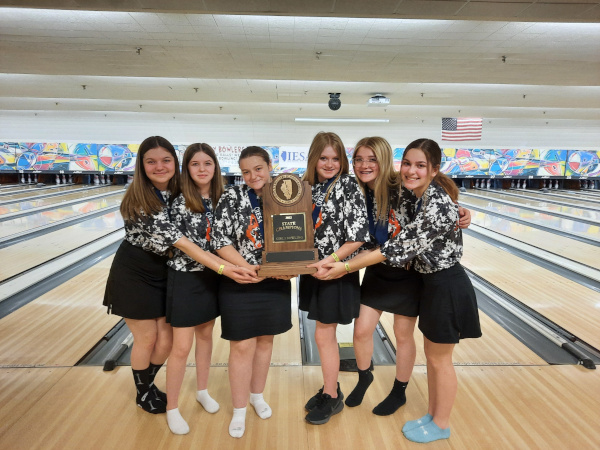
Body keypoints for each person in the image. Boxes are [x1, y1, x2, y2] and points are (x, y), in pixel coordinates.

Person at [323, 138, 482, 443]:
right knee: (435, 359)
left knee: (439, 360)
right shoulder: (418, 196)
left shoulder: (431, 202)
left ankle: (441, 423)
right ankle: (435, 416)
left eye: (420, 165)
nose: (411, 170)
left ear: (434, 169)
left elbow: (397, 246)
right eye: (407, 163)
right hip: (432, 284)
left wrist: (343, 267)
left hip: (444, 284)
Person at [103, 136, 256, 416]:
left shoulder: (177, 191)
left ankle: (151, 385)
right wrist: (226, 268)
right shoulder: (143, 200)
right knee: (148, 339)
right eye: (151, 161)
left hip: (167, 270)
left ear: (175, 164)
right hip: (136, 273)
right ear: (141, 165)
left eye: (166, 160)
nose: (159, 166)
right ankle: (144, 391)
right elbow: (185, 244)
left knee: (166, 341)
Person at [211, 146, 293, 438]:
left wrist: (293, 266)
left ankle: (257, 395)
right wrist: (245, 267)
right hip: (240, 279)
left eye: (258, 168)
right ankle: (239, 409)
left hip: (276, 279)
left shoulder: (286, 193)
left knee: (265, 341)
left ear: (270, 166)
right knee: (241, 346)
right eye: (246, 171)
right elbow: (218, 239)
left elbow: (300, 236)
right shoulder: (232, 196)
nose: (252, 176)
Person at [299, 131, 370, 425]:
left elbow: (357, 238)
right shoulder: (306, 188)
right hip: (314, 270)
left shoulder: (349, 187)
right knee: (321, 332)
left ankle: (331, 394)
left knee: (323, 334)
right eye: (323, 158)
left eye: (335, 158)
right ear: (314, 159)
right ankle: (331, 386)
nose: (329, 163)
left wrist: (330, 263)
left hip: (335, 271)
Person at [164, 143, 232, 434]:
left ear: (215, 167)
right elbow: (188, 248)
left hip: (214, 279)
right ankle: (172, 407)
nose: (202, 169)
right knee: (181, 346)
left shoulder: (224, 198)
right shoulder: (178, 201)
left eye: (208, 163)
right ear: (186, 169)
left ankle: (202, 390)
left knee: (206, 337)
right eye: (195, 164)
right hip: (186, 279)